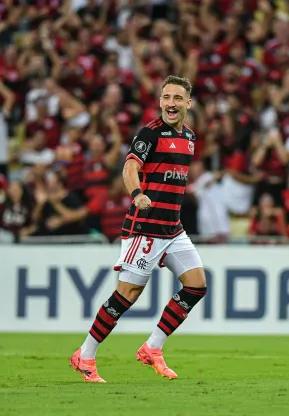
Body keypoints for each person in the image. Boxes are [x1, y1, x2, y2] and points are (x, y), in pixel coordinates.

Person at [70, 76, 208, 383]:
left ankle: (152, 348)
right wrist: (137, 194)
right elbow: (130, 166)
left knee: (196, 285)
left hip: (172, 228)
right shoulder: (150, 133)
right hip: (144, 228)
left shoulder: (190, 137)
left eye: (177, 98)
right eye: (166, 97)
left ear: (188, 103)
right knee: (126, 295)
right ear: (160, 101)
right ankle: (85, 354)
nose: (171, 103)